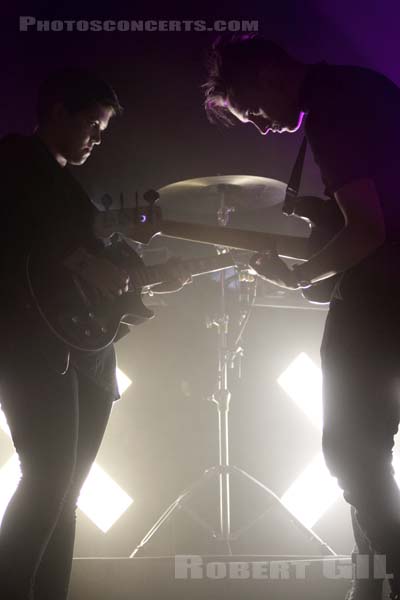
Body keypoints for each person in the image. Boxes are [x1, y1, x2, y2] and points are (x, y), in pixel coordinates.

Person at [203, 34, 400, 600]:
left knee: (351, 451)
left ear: (268, 74)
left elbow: (367, 229)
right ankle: (369, 586)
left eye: (255, 111)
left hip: (383, 296)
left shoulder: (330, 110)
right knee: (369, 453)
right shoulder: (362, 86)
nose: (262, 127)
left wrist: (302, 275)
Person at [0, 68, 188, 600]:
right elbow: (33, 244)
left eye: (103, 129)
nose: (97, 138)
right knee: (48, 480)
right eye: (92, 123)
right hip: (36, 349)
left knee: (65, 491)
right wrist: (92, 261)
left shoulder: (68, 190)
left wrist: (152, 278)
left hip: (84, 353)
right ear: (57, 110)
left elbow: (99, 280)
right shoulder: (16, 161)